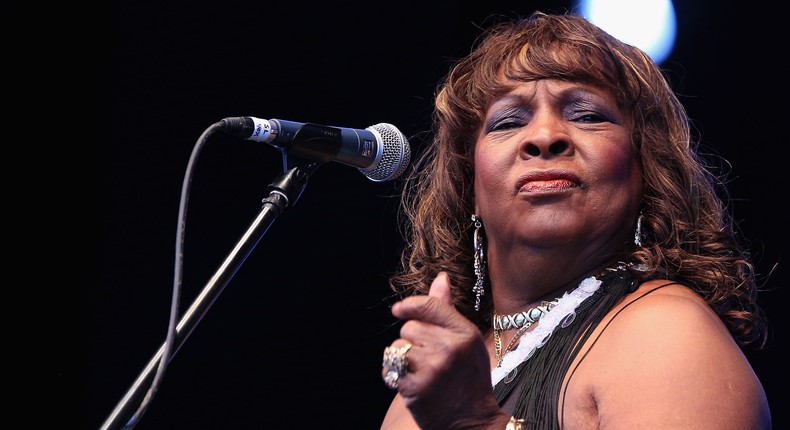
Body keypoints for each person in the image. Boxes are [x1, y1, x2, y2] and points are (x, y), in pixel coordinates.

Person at [378, 10, 771, 430]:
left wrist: (476, 421)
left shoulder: (665, 333)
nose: (544, 136)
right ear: (468, 184)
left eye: (587, 115)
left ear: (646, 170)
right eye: (509, 122)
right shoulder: (426, 389)